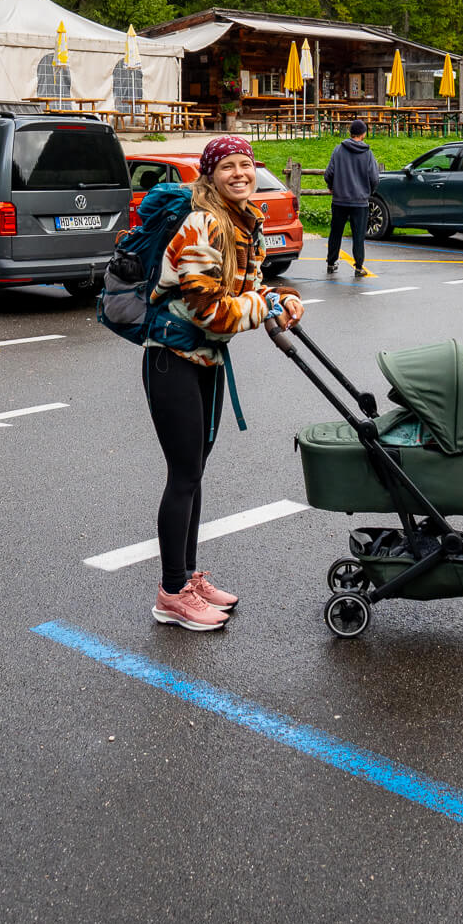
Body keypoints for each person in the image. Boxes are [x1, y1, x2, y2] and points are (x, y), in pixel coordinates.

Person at [144, 135, 303, 632]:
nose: (239, 172)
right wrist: (266, 309)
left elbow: (246, 289)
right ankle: (171, 594)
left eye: (246, 164)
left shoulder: (240, 222)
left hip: (205, 361)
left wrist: (281, 296)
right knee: (183, 474)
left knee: (194, 474)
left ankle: (186, 577)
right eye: (228, 166)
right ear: (209, 175)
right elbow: (211, 311)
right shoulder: (201, 223)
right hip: (173, 359)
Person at [324, 118, 380, 278]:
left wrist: (331, 187)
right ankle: (359, 266)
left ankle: (331, 262)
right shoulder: (368, 154)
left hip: (340, 199)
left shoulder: (338, 150)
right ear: (363, 134)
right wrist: (369, 192)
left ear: (350, 133)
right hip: (360, 201)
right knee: (358, 235)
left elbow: (329, 173)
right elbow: (374, 178)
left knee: (336, 232)